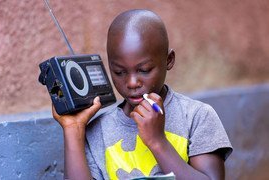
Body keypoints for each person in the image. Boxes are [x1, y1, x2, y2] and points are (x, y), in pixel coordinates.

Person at [52, 9, 233, 180]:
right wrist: (73, 129)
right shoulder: (98, 131)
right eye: (119, 72)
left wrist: (157, 141)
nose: (132, 83)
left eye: (144, 70)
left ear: (169, 60)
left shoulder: (196, 116)